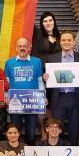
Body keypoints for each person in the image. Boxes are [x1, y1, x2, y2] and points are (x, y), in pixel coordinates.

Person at [44, 31, 79, 145]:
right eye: (63, 40)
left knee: (74, 131)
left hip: (76, 98)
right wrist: (45, 77)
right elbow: (47, 79)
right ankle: (56, 155)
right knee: (55, 129)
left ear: (73, 42)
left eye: (69, 40)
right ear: (60, 42)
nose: (66, 42)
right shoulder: (51, 58)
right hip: (58, 98)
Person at [5, 37, 45, 145]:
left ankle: (29, 155)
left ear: (29, 48)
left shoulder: (37, 62)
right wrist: (6, 96)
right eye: (20, 46)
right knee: (15, 132)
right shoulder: (9, 63)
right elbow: (7, 83)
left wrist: (43, 96)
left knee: (31, 132)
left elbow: (40, 82)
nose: (22, 48)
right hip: (15, 103)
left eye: (25, 46)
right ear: (16, 48)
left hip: (32, 103)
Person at [32, 11, 62, 140]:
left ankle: (52, 133)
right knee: (42, 106)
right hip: (40, 76)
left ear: (54, 21)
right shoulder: (38, 35)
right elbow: (29, 19)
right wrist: (32, 1)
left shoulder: (61, 38)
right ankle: (44, 135)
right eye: (45, 21)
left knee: (53, 105)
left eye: (50, 20)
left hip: (56, 79)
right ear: (42, 23)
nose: (48, 23)